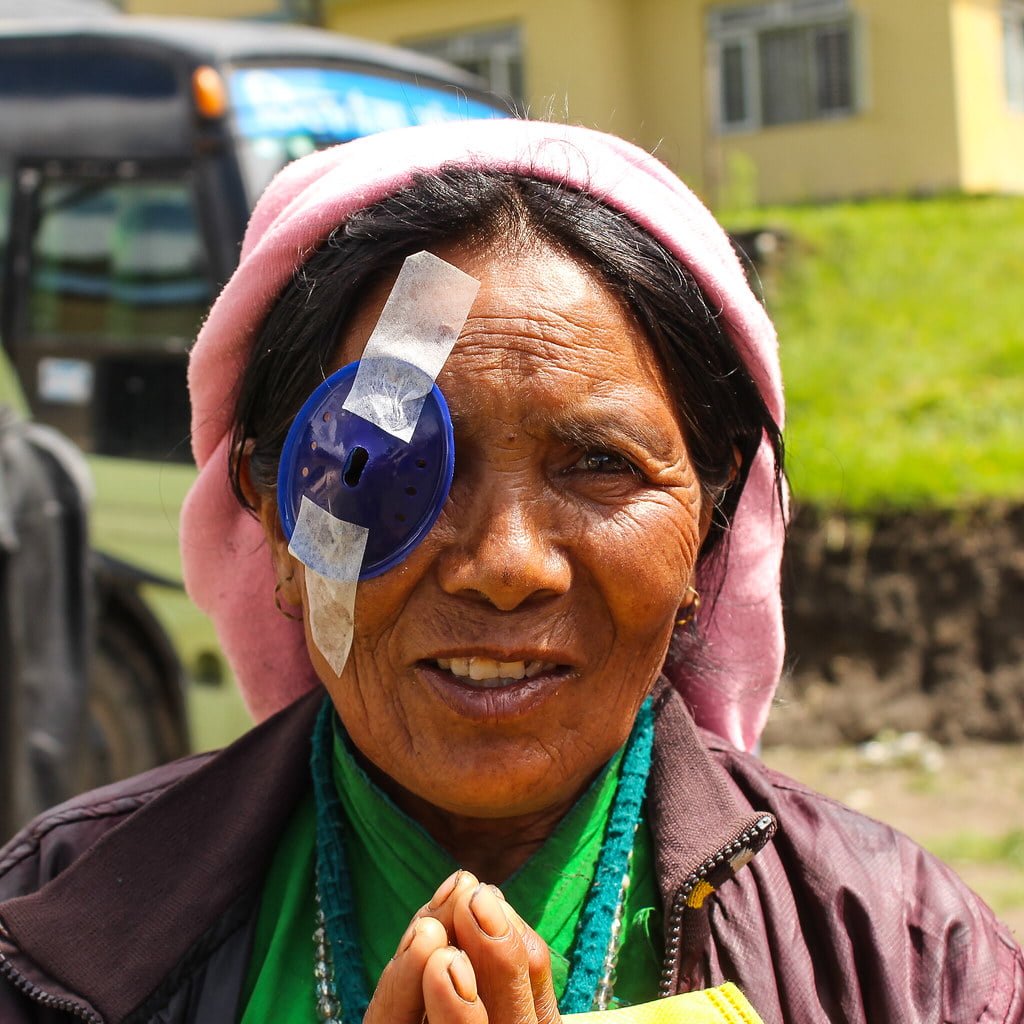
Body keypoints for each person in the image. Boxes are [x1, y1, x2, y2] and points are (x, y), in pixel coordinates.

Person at [0, 120, 1020, 1024]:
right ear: (279, 528)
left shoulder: (899, 954)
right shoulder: (63, 924)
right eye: (389, 464)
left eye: (598, 465)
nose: (505, 567)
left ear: (708, 538)